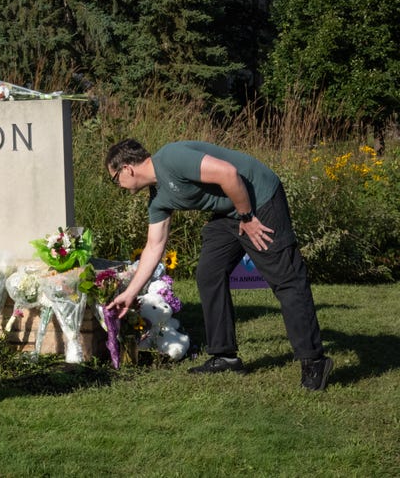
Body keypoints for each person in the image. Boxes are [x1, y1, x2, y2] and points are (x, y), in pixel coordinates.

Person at [105, 139, 333, 391]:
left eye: (115, 179)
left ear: (127, 168)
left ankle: (314, 360)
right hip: (229, 214)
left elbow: (228, 173)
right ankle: (225, 356)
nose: (118, 186)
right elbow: (154, 246)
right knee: (208, 273)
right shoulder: (158, 198)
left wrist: (247, 217)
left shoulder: (171, 158)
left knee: (286, 278)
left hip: (258, 199)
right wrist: (130, 293)